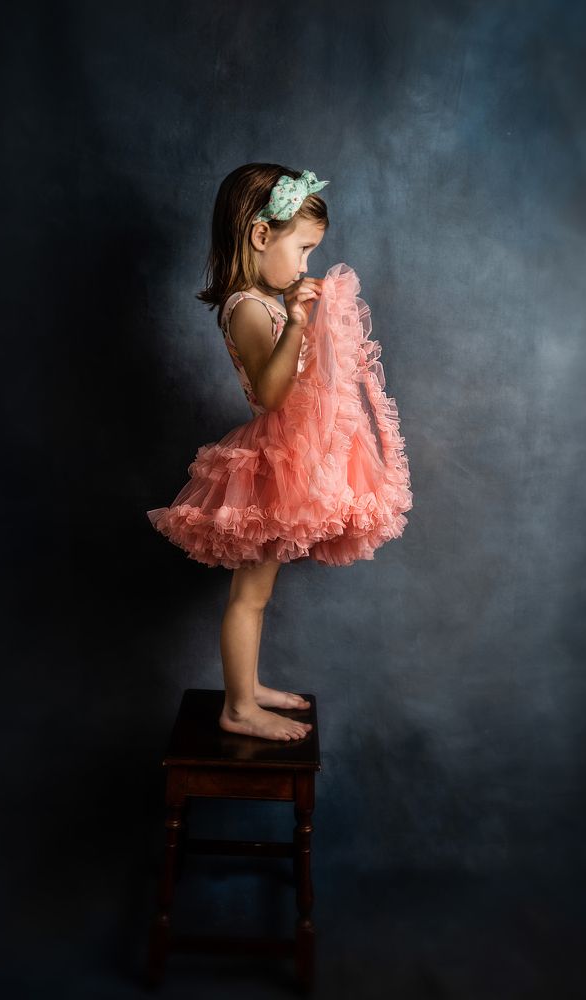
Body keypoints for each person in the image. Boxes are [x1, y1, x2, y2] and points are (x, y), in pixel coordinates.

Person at [147, 164, 412, 743]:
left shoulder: (263, 300)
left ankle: (249, 686)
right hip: (272, 457)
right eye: (304, 249)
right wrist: (296, 321)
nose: (306, 265)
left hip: (289, 452)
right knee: (248, 594)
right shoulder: (246, 307)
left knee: (257, 592)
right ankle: (238, 706)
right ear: (261, 236)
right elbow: (270, 395)